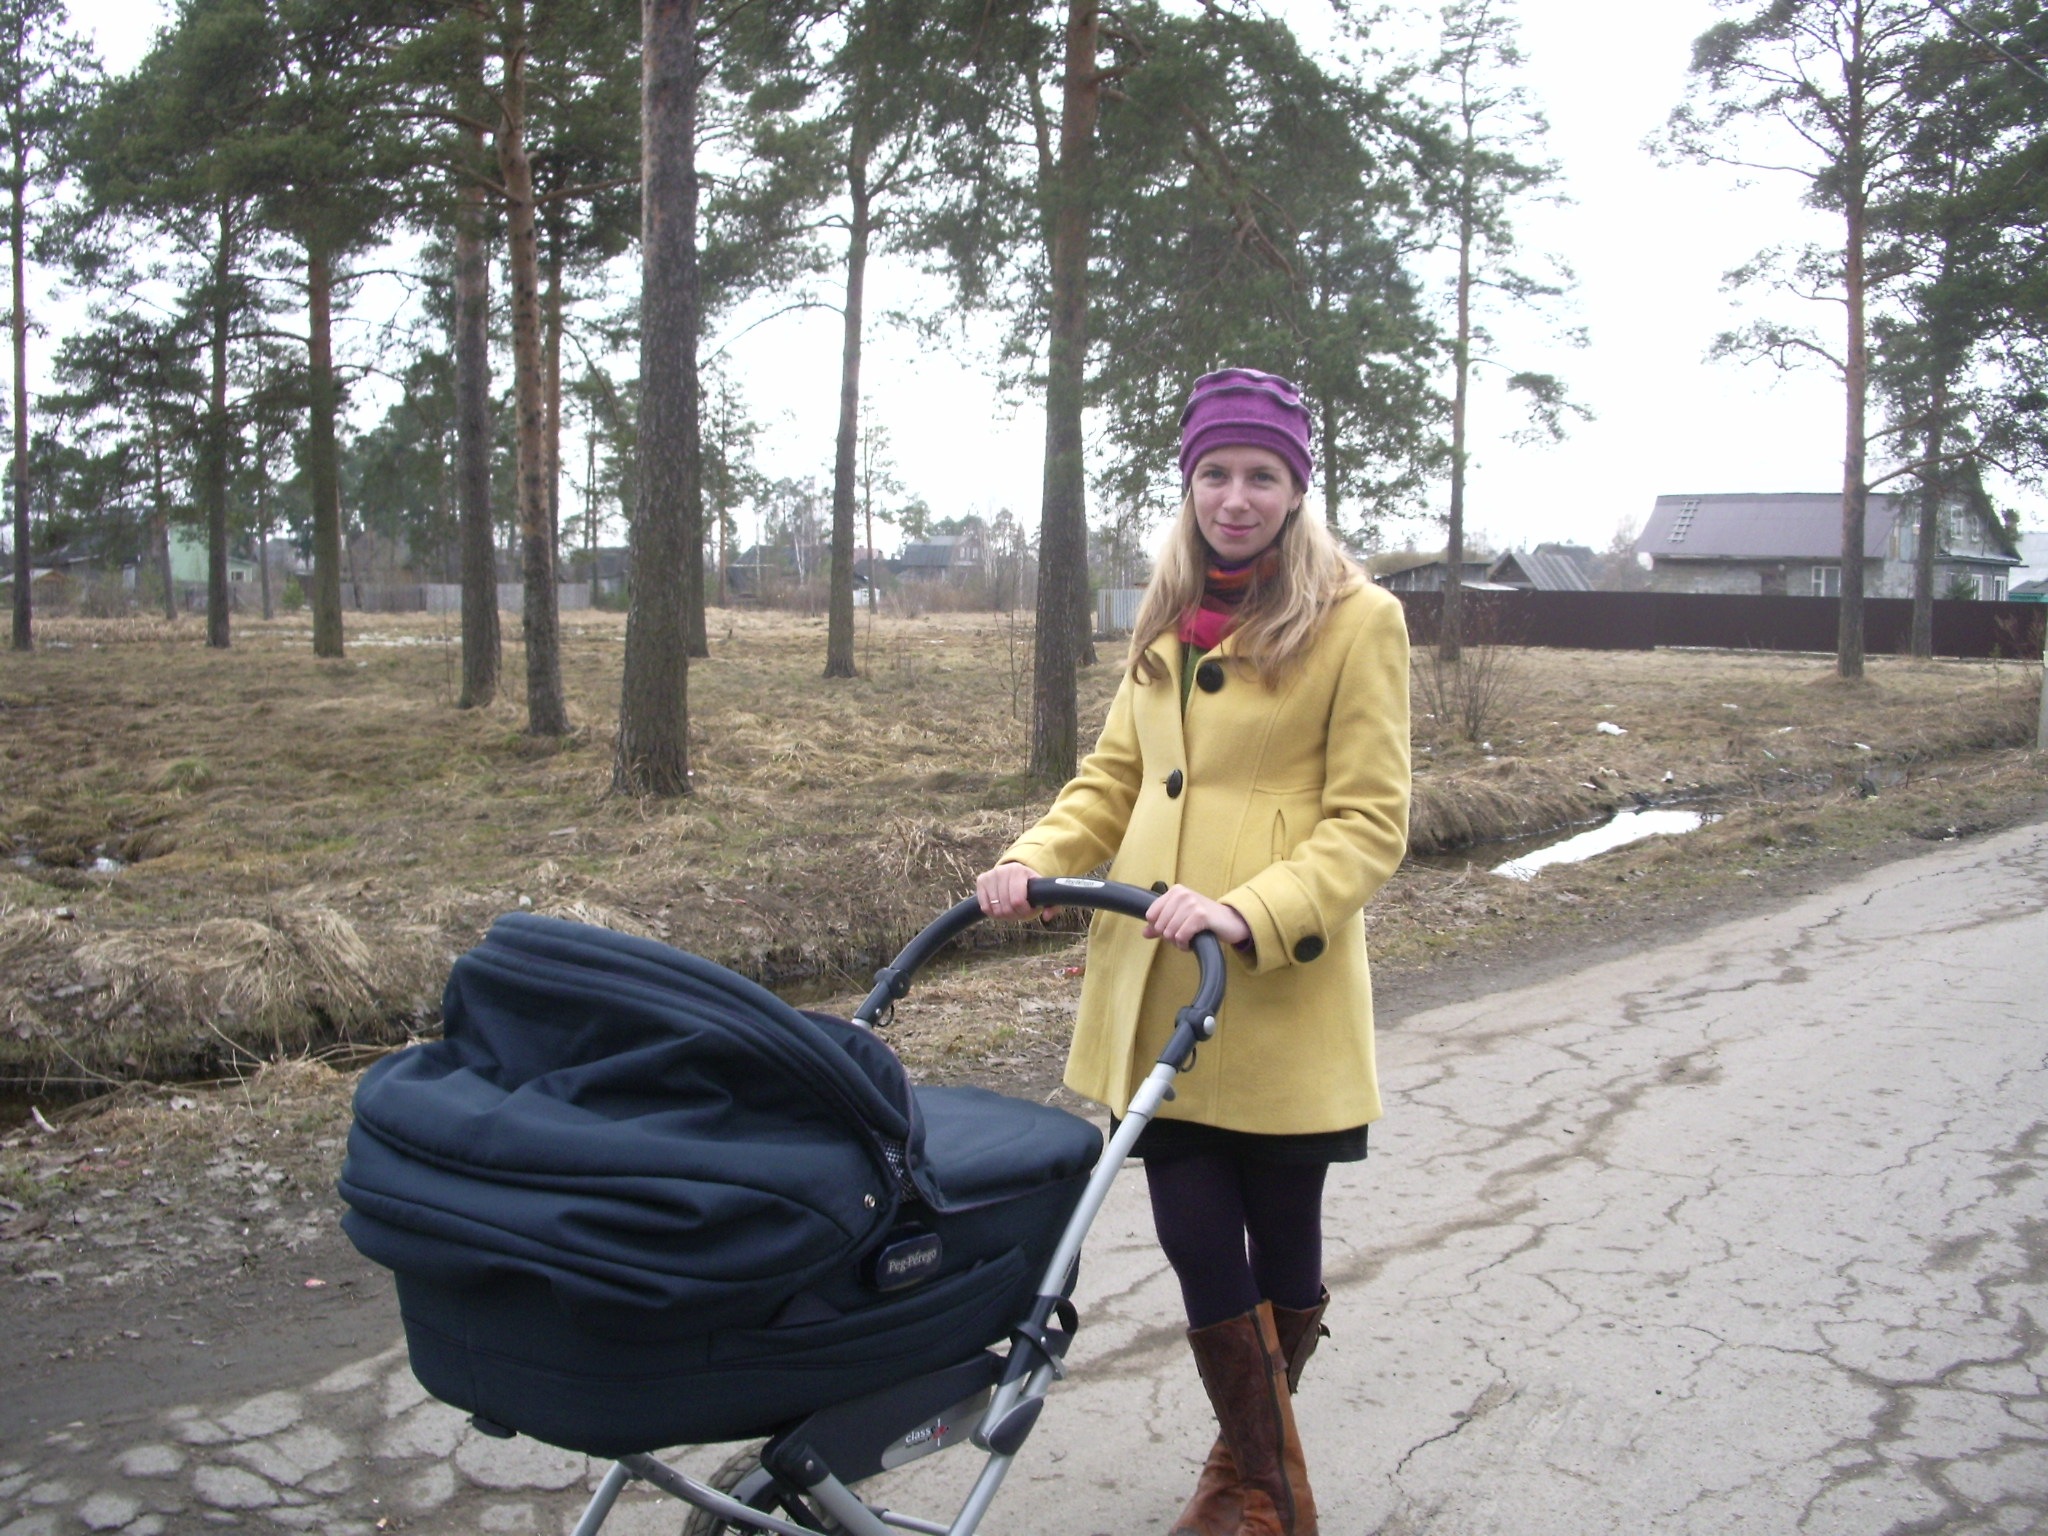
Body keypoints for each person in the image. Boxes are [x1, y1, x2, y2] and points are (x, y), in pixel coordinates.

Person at [974, 368, 1410, 1536]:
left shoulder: (1358, 619)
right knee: (1191, 1232)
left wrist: (1247, 909)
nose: (1234, 497)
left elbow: (1369, 821)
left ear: (1295, 489)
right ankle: (1261, 1484)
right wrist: (1032, 857)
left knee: (1282, 1236)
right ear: (1189, 483)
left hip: (1271, 982)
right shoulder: (1163, 615)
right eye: (1214, 473)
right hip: (1159, 980)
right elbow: (1113, 777)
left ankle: (1244, 1470)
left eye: (1260, 475)